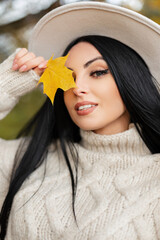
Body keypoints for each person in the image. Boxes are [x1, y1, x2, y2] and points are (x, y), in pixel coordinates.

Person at [0, 2, 160, 239]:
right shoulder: (24, 159)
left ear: (130, 78)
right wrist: (5, 87)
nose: (76, 88)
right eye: (68, 77)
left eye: (97, 72)